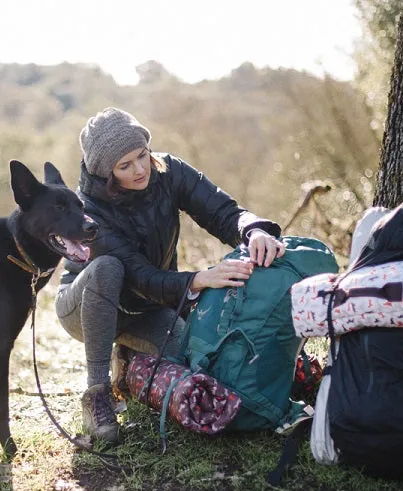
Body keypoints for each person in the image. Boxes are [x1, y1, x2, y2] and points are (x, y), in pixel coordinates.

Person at [56, 107, 286, 443]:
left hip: (148, 307)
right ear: (107, 174)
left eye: (142, 155)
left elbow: (222, 212)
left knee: (200, 362)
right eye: (125, 166)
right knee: (107, 268)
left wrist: (253, 231)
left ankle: (128, 367)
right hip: (86, 306)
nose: (139, 169)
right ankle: (97, 394)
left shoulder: (168, 170)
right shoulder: (89, 211)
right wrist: (198, 279)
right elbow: (139, 275)